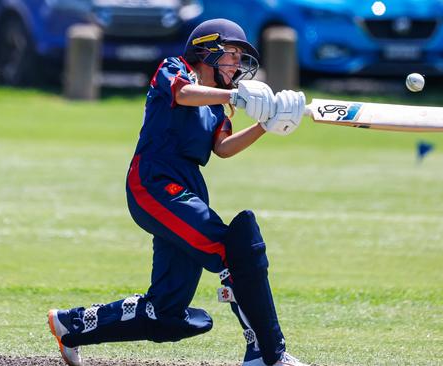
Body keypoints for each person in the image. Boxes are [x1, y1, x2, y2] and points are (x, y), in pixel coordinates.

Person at [47, 18, 307, 366]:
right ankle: (266, 353)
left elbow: (224, 147)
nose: (237, 64)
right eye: (231, 55)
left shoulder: (218, 106)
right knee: (233, 247)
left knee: (166, 311)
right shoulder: (175, 69)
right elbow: (183, 94)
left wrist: (266, 124)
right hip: (154, 181)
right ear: (207, 50)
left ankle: (71, 325)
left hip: (188, 187)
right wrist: (235, 96)